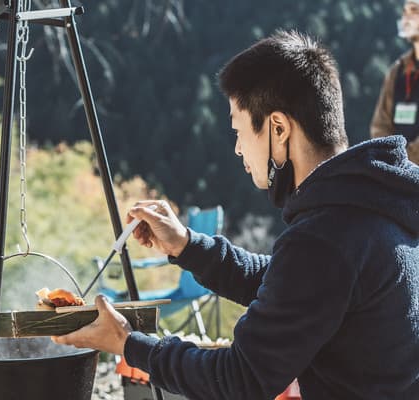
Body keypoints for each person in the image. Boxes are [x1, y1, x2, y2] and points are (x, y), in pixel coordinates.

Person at [53, 31, 419, 399]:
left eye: (239, 131)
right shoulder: (378, 204)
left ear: (278, 127)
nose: (238, 150)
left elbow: (239, 380)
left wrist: (129, 344)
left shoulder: (326, 237)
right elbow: (288, 283)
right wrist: (187, 245)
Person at [371, 0, 419, 164]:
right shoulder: (397, 71)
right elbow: (380, 125)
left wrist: (404, 159)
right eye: (404, 11)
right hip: (398, 177)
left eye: (413, 10)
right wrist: (391, 157)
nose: (406, 17)